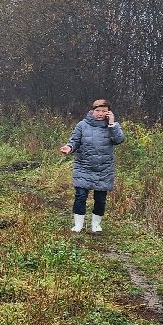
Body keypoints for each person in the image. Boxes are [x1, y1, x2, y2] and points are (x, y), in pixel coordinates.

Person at [59, 99, 125, 233]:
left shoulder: (112, 126)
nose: (100, 113)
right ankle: (78, 225)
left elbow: (119, 140)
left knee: (100, 199)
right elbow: (75, 141)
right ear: (92, 111)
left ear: (109, 112)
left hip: (104, 169)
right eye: (98, 110)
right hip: (83, 166)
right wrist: (69, 147)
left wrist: (112, 124)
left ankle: (96, 225)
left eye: (104, 111)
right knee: (80, 196)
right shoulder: (82, 125)